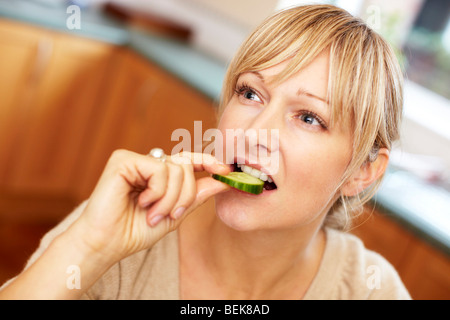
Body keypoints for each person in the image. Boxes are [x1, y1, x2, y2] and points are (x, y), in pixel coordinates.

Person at [0, 4, 410, 300]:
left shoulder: (372, 290)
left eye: (308, 118)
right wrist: (88, 246)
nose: (253, 133)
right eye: (250, 93)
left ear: (364, 172)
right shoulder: (122, 232)